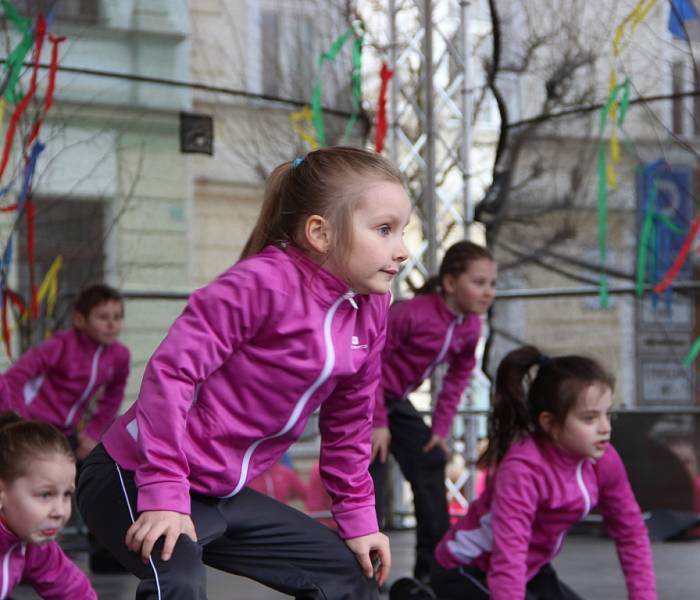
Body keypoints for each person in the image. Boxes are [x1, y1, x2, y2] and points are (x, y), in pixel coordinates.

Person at [76, 146, 411, 600]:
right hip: (135, 473)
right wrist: (164, 491)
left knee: (349, 576)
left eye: (403, 231)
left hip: (218, 492)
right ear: (320, 232)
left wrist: (359, 520)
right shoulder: (259, 284)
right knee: (178, 578)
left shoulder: (370, 310)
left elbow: (350, 424)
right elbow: (171, 376)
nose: (403, 250)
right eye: (385, 230)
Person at [392, 345, 657, 600]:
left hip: (533, 568)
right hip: (466, 568)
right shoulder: (523, 469)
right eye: (589, 418)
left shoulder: (603, 459)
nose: (604, 428)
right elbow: (509, 556)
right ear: (550, 423)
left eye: (607, 415)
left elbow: (630, 531)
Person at [370, 241, 496, 581]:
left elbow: (457, 379)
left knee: (431, 459)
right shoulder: (411, 313)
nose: (488, 292)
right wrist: (377, 420)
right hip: (362, 396)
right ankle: (362, 575)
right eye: (479, 282)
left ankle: (433, 575)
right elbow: (371, 363)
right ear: (451, 284)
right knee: (371, 472)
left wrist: (440, 431)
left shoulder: (469, 327)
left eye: (492, 284)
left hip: (394, 401)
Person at [1, 284, 129, 460]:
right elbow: (14, 377)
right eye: (103, 317)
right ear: (79, 319)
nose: (111, 324)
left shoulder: (119, 355)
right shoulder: (60, 345)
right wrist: (18, 419)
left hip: (66, 432)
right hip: (32, 423)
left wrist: (92, 434)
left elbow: (114, 396)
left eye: (117, 317)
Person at [0, 411, 96, 599]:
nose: (59, 512)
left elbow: (73, 591)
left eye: (67, 494)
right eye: (45, 495)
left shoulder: (33, 543)